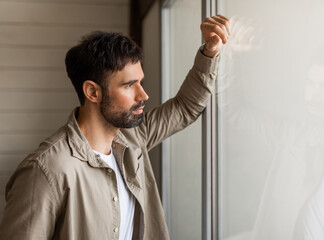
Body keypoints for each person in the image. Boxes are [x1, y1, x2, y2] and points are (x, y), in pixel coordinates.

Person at [0, 15, 230, 240]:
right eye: (130, 85)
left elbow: (184, 108)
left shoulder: (134, 137)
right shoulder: (45, 170)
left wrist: (210, 52)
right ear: (93, 92)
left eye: (140, 81)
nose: (144, 94)